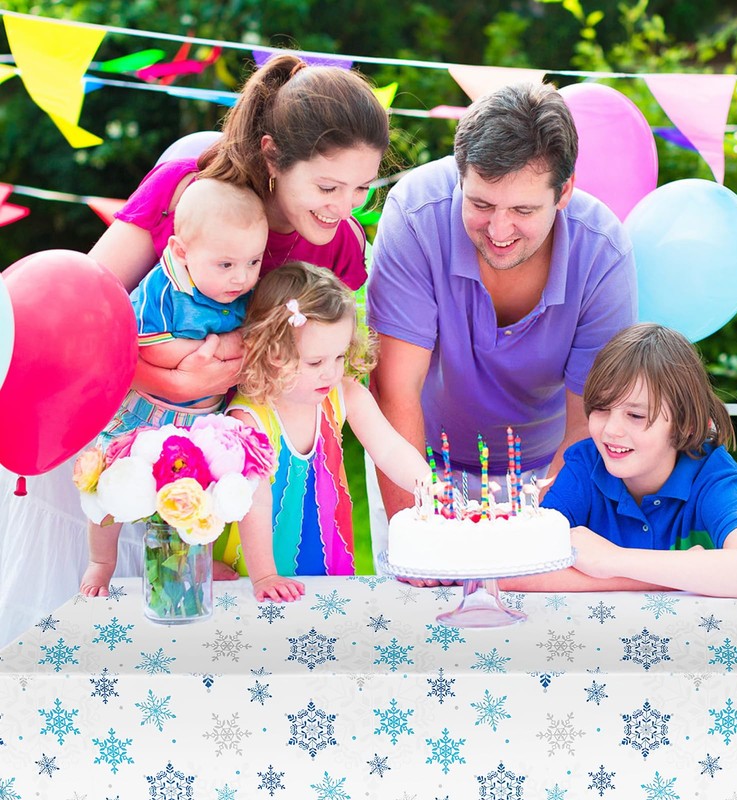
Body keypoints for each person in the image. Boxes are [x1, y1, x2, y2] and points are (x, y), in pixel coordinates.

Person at [0, 54, 390, 647]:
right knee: (87, 604)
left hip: (203, 462)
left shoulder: (337, 247)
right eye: (328, 186)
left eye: (362, 187)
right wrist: (156, 379)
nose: (344, 205)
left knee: (184, 630)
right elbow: (80, 314)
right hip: (112, 426)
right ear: (272, 154)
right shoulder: (188, 187)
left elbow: (320, 364)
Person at [365, 80, 637, 571]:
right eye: (482, 205)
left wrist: (538, 539)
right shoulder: (414, 213)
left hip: (546, 471)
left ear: (565, 192)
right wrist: (423, 543)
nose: (499, 230)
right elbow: (394, 388)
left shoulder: (603, 251)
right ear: (459, 175)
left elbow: (589, 424)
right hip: (415, 461)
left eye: (524, 210)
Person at [80, 178, 268, 597]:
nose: (242, 277)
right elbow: (148, 346)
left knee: (191, 492)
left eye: (253, 262)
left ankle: (192, 560)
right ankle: (101, 562)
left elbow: (252, 336)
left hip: (201, 419)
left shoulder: (232, 283)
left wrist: (217, 350)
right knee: (112, 486)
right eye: (227, 265)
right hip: (146, 411)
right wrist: (214, 350)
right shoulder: (163, 289)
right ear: (183, 252)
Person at [501, 323, 737, 598]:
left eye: (635, 416)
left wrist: (612, 560)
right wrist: (669, 580)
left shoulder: (712, 475)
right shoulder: (585, 465)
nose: (611, 430)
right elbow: (518, 568)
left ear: (687, 426)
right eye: (601, 408)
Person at [214, 261, 437, 602]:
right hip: (256, 569)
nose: (331, 373)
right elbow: (255, 505)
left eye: (339, 356)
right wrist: (265, 576)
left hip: (329, 554)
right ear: (274, 353)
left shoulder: (343, 394)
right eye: (315, 362)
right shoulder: (250, 420)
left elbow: (391, 450)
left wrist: (430, 487)